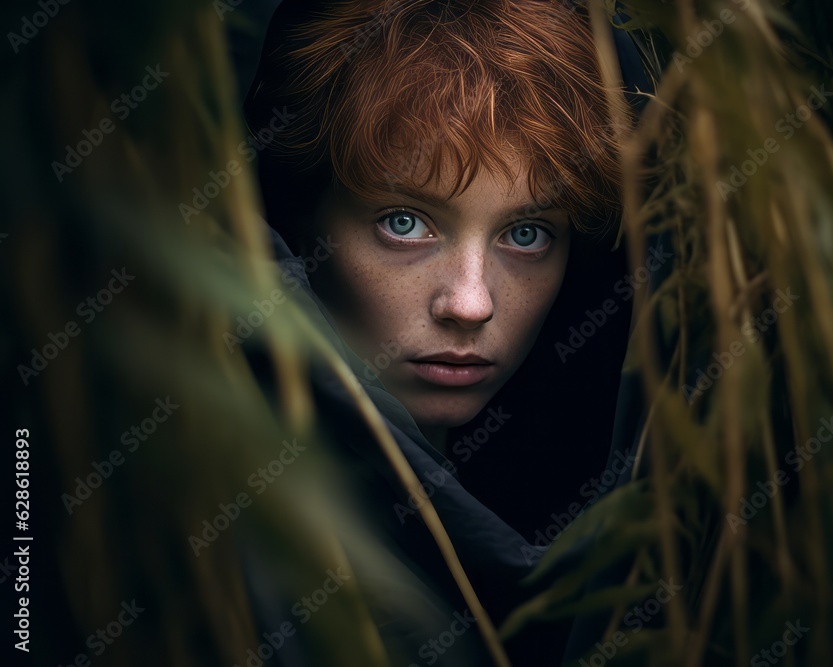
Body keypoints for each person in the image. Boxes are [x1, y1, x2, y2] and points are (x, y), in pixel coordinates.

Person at [241, 0, 634, 662]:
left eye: (528, 233)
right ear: (302, 224)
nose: (471, 302)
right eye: (404, 222)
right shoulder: (220, 543)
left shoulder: (645, 571)